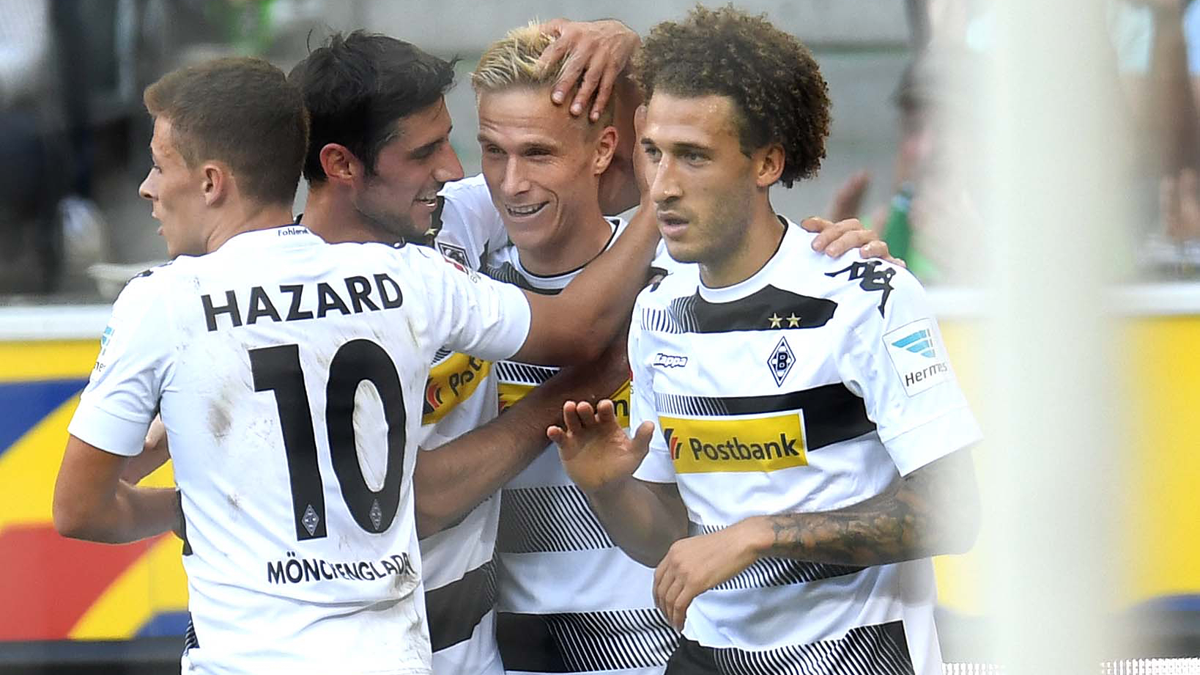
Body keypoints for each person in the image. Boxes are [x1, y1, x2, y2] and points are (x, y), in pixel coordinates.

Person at [51, 56, 623, 675]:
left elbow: (80, 509)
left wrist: (187, 505)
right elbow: (578, 328)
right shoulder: (405, 277)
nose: (147, 186)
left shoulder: (163, 301)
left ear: (212, 182)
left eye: (161, 166)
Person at [549, 7, 982, 675]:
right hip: (708, 656)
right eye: (656, 152)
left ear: (768, 162)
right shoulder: (659, 308)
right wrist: (608, 489)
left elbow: (954, 513)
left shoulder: (865, 295)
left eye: (693, 156)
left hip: (856, 657)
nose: (662, 185)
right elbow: (670, 534)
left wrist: (757, 537)